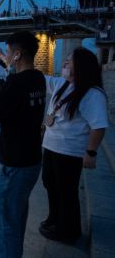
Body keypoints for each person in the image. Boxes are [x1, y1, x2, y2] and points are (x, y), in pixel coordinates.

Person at [0, 31, 46, 258]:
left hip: (14, 162)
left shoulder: (16, 83)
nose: (6, 56)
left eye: (9, 52)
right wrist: (5, 62)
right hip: (31, 159)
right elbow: (17, 83)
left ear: (18, 54)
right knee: (17, 216)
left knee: (4, 222)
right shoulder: (38, 78)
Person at [39, 47, 108, 243]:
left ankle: (69, 231)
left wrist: (91, 152)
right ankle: (54, 218)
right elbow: (39, 78)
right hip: (51, 147)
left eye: (70, 62)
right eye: (66, 61)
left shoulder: (93, 94)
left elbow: (99, 126)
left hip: (69, 151)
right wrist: (9, 63)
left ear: (83, 67)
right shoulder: (63, 84)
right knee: (49, 183)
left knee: (66, 191)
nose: (64, 64)